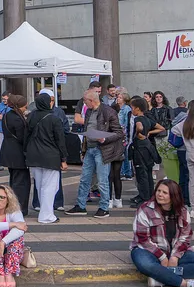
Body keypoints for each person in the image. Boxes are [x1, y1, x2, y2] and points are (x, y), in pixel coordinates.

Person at [130, 179, 194, 287]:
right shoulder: (145, 209)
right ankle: (185, 284)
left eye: (165, 192)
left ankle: (161, 279)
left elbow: (186, 237)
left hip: (174, 251)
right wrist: (162, 257)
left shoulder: (183, 211)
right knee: (145, 264)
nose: (160, 194)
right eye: (158, 191)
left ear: (173, 196)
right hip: (149, 251)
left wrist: (175, 256)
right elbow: (142, 239)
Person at [66, 88, 123, 218]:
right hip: (90, 148)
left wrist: (105, 138)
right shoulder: (89, 111)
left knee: (102, 180)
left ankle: (104, 207)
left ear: (91, 100)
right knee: (85, 178)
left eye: (85, 101)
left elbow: (119, 133)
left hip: (102, 149)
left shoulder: (108, 112)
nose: (84, 104)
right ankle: (80, 205)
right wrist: (84, 148)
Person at [26, 93, 68, 224]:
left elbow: (26, 136)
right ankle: (46, 215)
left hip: (34, 155)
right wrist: (63, 159)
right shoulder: (54, 119)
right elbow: (60, 140)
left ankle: (44, 211)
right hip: (50, 156)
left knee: (39, 185)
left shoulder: (31, 116)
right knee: (50, 186)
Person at [130, 96, 165, 208]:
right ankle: (150, 196)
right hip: (148, 148)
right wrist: (149, 132)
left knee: (141, 174)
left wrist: (138, 133)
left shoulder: (138, 119)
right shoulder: (147, 119)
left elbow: (139, 127)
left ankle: (144, 198)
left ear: (137, 108)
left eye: (132, 108)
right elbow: (161, 128)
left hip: (140, 149)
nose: (132, 110)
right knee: (148, 173)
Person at [0, 95, 30, 216]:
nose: (25, 109)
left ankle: (13, 207)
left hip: (8, 151)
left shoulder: (7, 115)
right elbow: (22, 137)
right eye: (24, 107)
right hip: (17, 153)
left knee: (14, 180)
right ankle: (19, 208)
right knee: (21, 183)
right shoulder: (17, 119)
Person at [170, 108, 191, 205]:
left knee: (182, 174)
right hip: (187, 149)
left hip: (180, 149)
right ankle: (187, 199)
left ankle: (181, 197)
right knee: (188, 175)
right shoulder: (188, 119)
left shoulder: (181, 116)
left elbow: (174, 128)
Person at [118, 92, 134, 180]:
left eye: (120, 97)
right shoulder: (119, 109)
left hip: (124, 133)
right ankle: (123, 172)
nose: (118, 99)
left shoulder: (126, 109)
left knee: (125, 153)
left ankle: (127, 172)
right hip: (119, 132)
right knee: (122, 152)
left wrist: (124, 132)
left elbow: (127, 122)